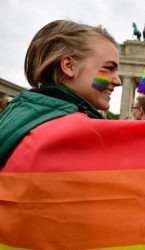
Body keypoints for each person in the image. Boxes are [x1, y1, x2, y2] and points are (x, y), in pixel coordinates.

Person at [0, 19, 121, 168]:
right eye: (109, 68)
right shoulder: (75, 133)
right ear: (69, 66)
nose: (118, 81)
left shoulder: (18, 112)